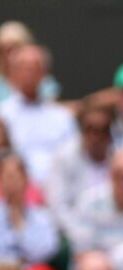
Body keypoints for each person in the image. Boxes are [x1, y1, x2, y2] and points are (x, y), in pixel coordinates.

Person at [0, 45, 75, 181]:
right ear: (13, 73)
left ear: (44, 73)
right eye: (24, 69)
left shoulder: (62, 117)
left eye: (34, 69)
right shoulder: (3, 114)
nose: (29, 74)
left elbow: (71, 158)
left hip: (56, 190)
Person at [42, 105, 115, 238]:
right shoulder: (64, 158)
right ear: (81, 132)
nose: (96, 137)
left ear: (110, 134)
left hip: (113, 232)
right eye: (90, 130)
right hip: (74, 234)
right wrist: (82, 233)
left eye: (102, 130)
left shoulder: (121, 159)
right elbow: (58, 207)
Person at [68, 149, 123, 256]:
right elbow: (81, 249)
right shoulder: (89, 202)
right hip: (99, 265)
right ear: (110, 175)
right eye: (118, 175)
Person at [0, 153, 57, 265]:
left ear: (26, 179)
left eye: (15, 177)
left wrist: (20, 226)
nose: (11, 183)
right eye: (7, 177)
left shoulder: (42, 216)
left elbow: (48, 249)